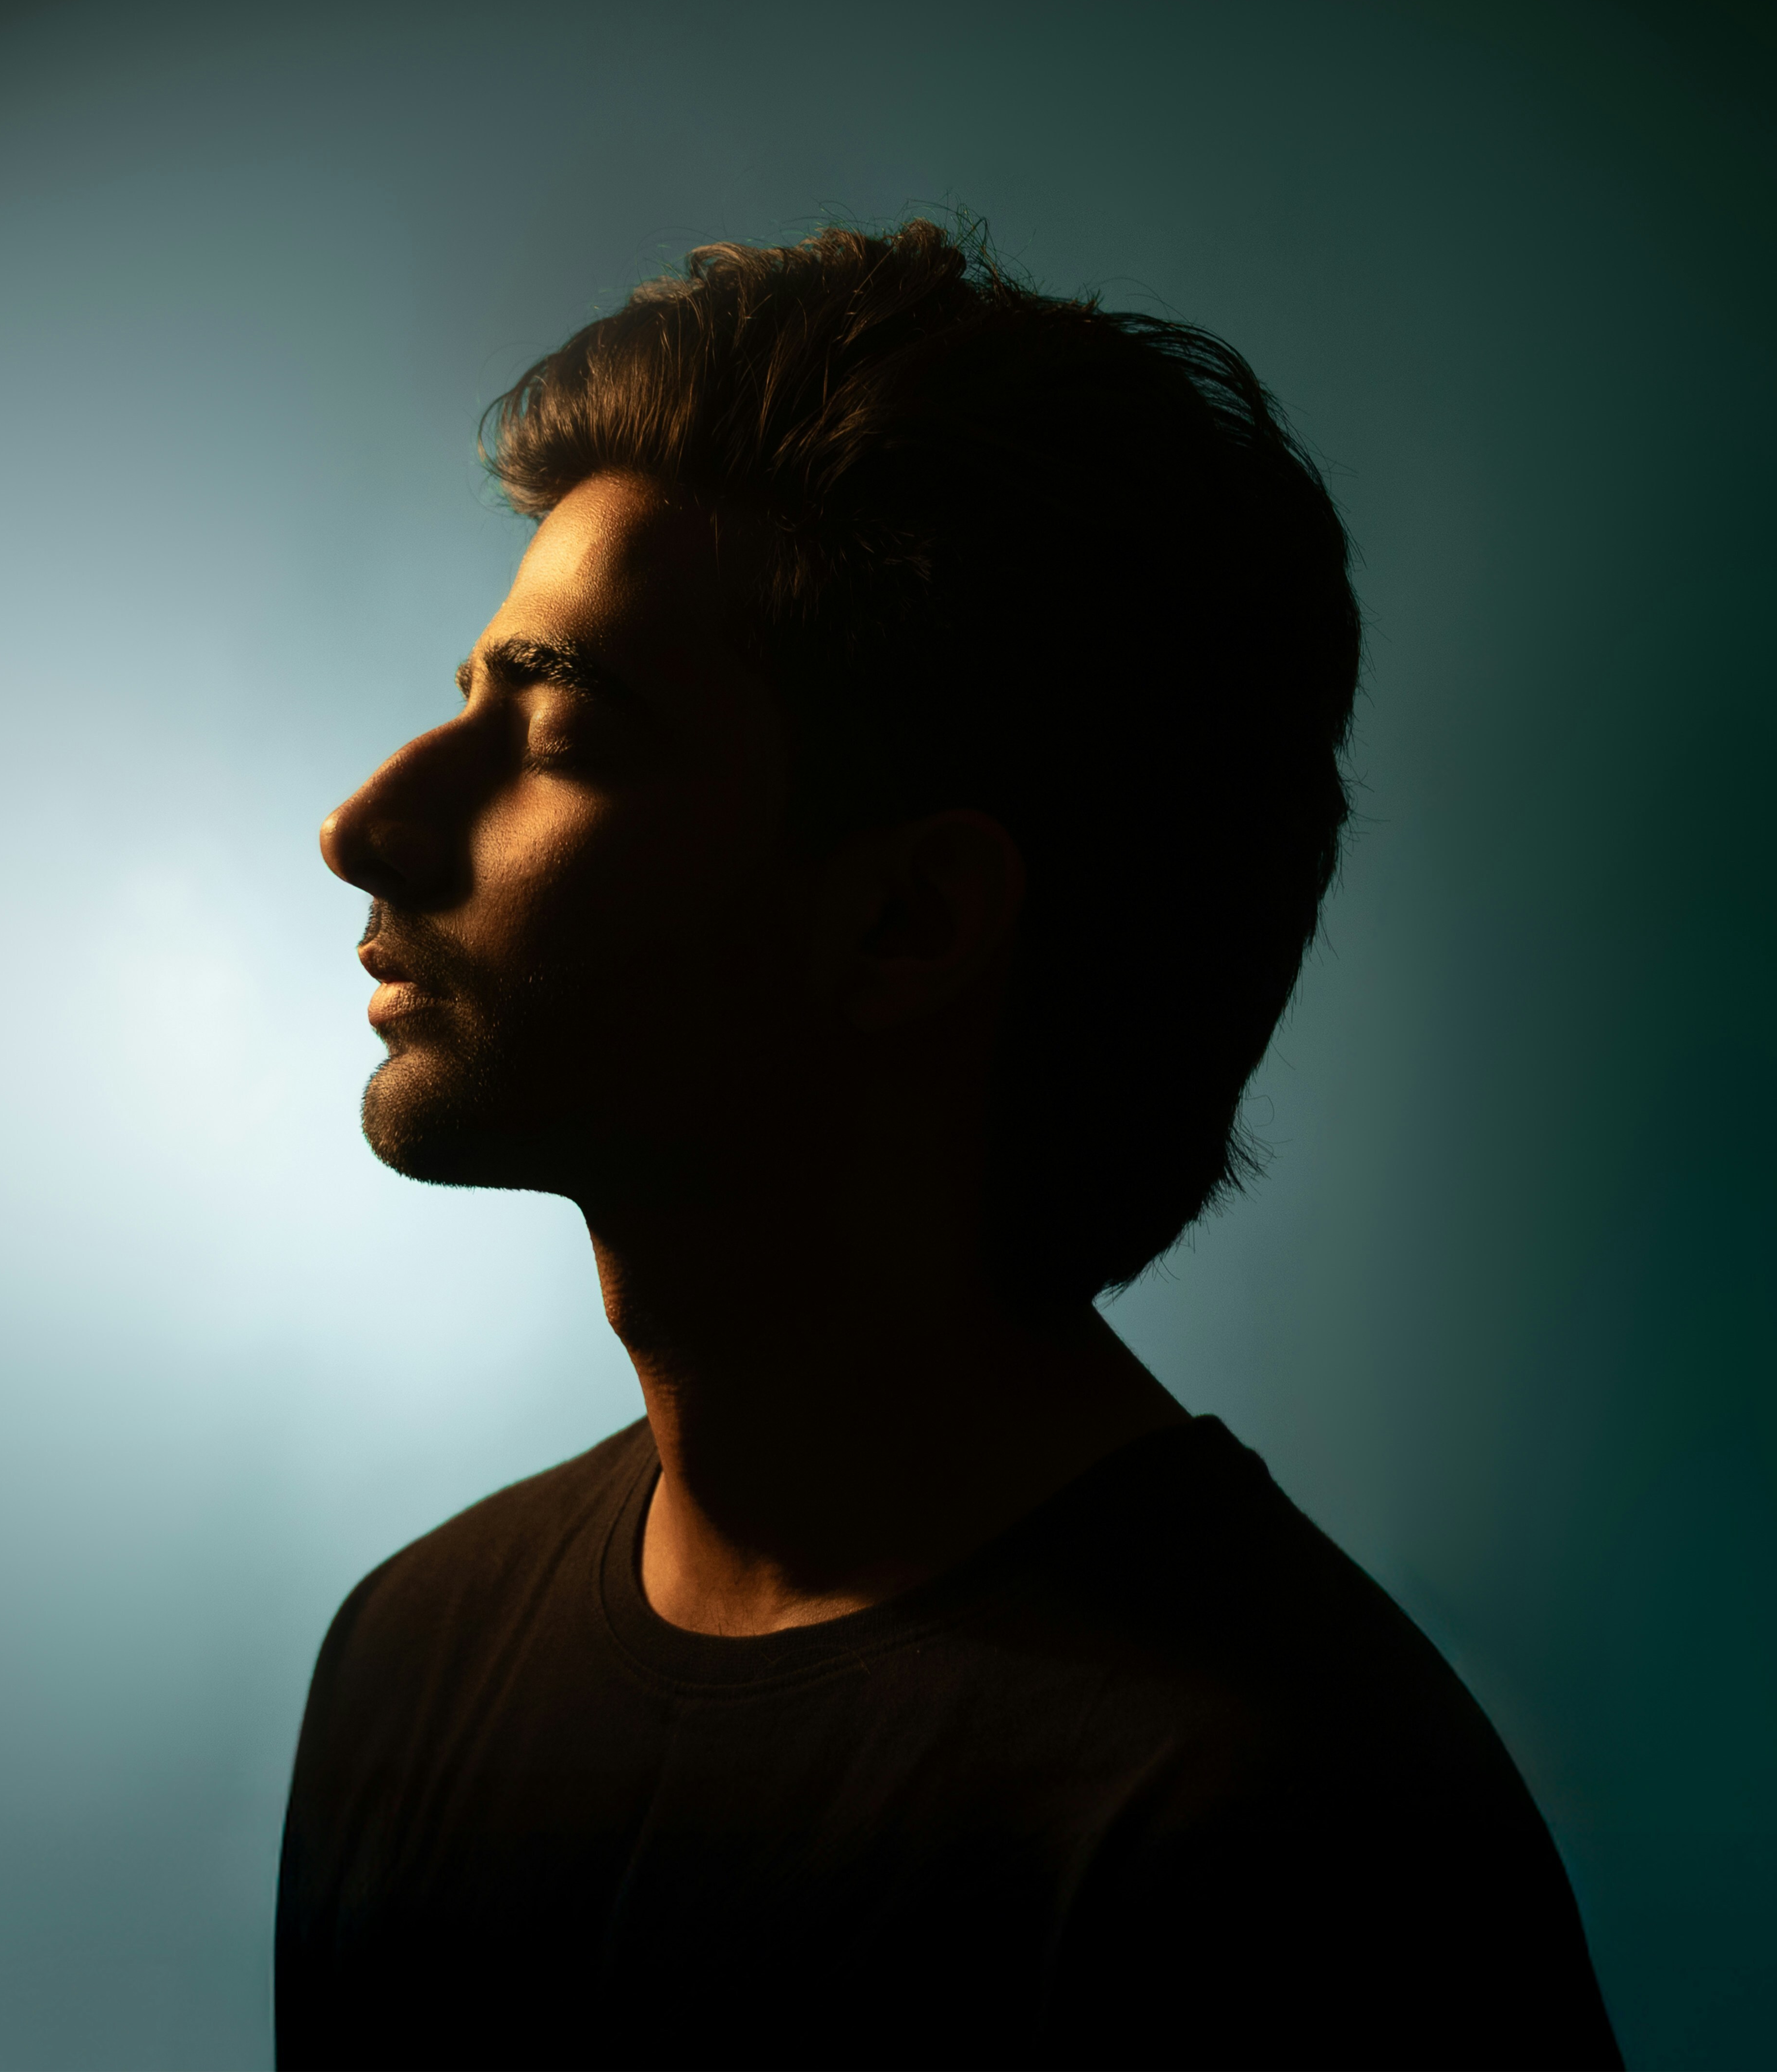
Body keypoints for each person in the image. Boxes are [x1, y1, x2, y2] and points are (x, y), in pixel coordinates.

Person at [275, 223, 1620, 2070]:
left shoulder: (1283, 1838)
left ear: (907, 923)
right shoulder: (410, 1661)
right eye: (463, 703)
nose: (368, 825)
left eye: (560, 727)